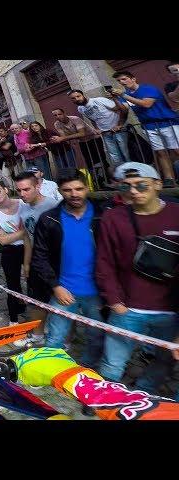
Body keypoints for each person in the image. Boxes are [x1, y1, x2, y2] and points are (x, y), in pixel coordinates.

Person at [96, 162, 179, 399]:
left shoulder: (176, 214)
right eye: (126, 186)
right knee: (113, 360)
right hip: (127, 307)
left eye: (141, 184)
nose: (134, 191)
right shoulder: (113, 217)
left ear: (158, 184)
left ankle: (145, 393)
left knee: (163, 360)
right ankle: (103, 398)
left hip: (169, 311)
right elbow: (104, 262)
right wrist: (114, 301)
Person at [30, 169, 107, 368]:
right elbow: (39, 257)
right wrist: (55, 286)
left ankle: (87, 371)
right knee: (55, 336)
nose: (74, 194)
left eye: (79, 188)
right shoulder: (49, 219)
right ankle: (50, 369)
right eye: (68, 190)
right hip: (63, 290)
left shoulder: (103, 216)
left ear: (87, 188)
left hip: (96, 292)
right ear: (60, 191)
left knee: (96, 338)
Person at [11, 172, 59, 347]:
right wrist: (27, 262)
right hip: (36, 262)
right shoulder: (23, 207)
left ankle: (63, 341)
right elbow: (27, 237)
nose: (22, 194)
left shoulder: (53, 206)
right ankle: (38, 336)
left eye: (26, 189)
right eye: (19, 190)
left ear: (38, 186)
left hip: (54, 263)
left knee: (58, 303)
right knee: (35, 301)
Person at [110, 70, 179, 187]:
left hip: (167, 123)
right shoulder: (125, 94)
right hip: (148, 126)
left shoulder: (147, 88)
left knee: (177, 151)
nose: (122, 82)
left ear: (133, 79)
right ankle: (169, 179)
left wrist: (122, 95)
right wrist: (115, 98)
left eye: (124, 79)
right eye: (119, 81)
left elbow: (146, 104)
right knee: (160, 153)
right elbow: (124, 109)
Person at [0, 180, 26, 325]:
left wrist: (13, 236)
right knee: (12, 286)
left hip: (29, 248)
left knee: (35, 283)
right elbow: (2, 240)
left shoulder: (22, 204)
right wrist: (24, 232)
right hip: (10, 251)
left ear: (6, 190)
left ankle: (39, 316)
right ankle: (13, 320)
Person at [68, 89, 131, 165]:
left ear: (83, 95)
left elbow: (119, 109)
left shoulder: (99, 100)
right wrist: (97, 129)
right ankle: (123, 174)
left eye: (78, 96)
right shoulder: (80, 108)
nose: (77, 99)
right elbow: (92, 119)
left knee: (126, 154)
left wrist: (119, 125)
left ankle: (135, 173)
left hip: (118, 130)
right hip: (106, 133)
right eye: (73, 98)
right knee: (115, 157)